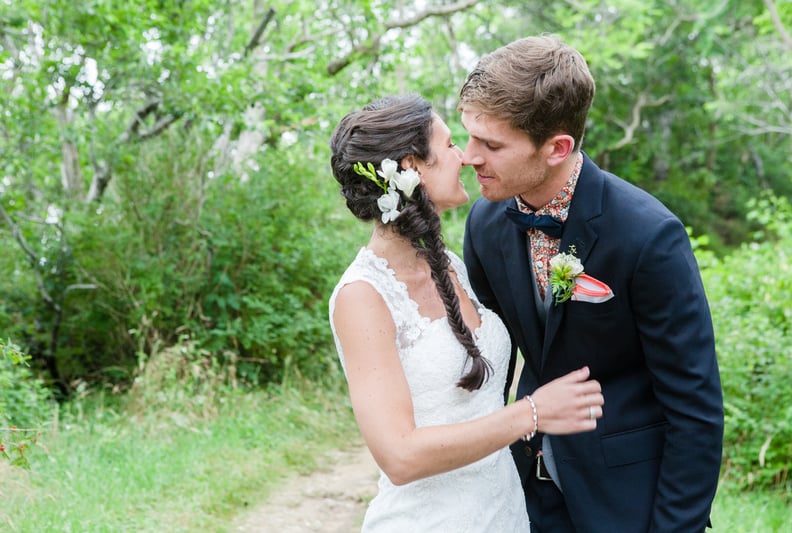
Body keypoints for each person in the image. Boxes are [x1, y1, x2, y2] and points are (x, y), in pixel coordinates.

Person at [458, 35, 725, 532]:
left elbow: (696, 408)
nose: (468, 156)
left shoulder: (648, 235)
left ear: (557, 147)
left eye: (491, 144)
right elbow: (495, 360)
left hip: (628, 502)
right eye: (469, 136)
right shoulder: (484, 223)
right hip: (526, 497)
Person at [328, 94, 604, 532]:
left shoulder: (450, 265)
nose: (467, 157)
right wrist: (530, 413)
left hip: (503, 514)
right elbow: (400, 456)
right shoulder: (362, 296)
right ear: (412, 167)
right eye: (451, 145)